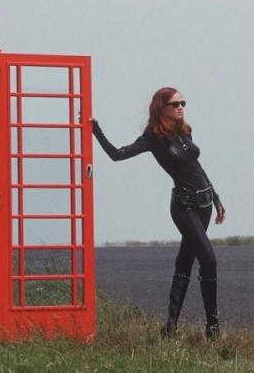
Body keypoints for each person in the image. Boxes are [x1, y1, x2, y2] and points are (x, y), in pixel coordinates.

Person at [90, 87, 226, 340]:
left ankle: (170, 327)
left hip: (204, 204)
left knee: (185, 261)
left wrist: (216, 198)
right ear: (161, 107)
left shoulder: (184, 131)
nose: (180, 107)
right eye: (175, 104)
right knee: (208, 260)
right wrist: (95, 129)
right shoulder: (154, 136)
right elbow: (117, 155)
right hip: (184, 207)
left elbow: (196, 167)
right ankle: (213, 328)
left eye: (183, 103)